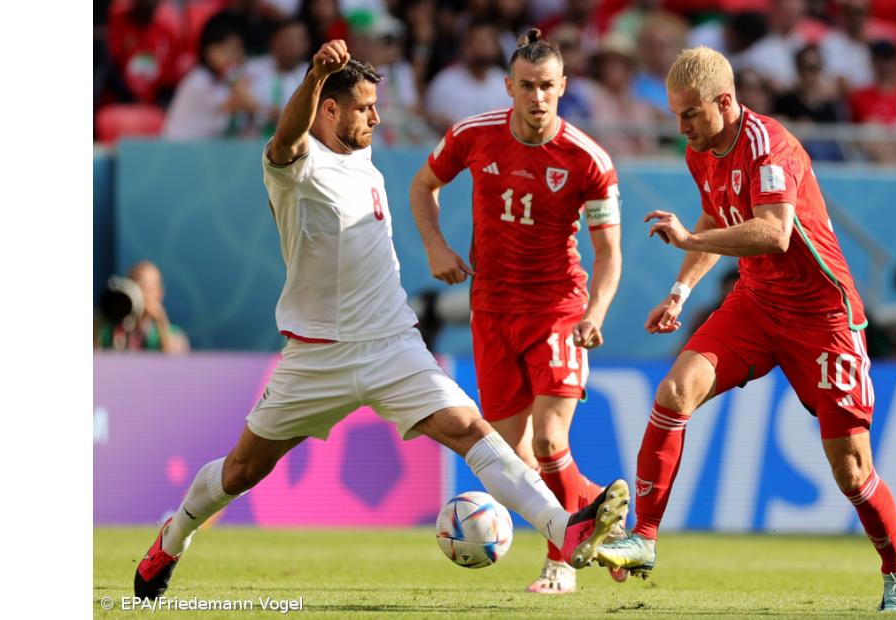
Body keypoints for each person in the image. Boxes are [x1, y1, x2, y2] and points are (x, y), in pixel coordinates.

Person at [133, 39, 629, 600]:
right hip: (318, 354)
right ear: (328, 109)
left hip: (392, 342)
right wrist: (315, 75)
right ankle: (172, 538)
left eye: (376, 105)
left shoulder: (362, 158)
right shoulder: (295, 167)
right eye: (365, 108)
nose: (376, 117)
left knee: (470, 429)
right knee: (241, 472)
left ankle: (565, 528)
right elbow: (287, 138)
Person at [594, 46, 896, 613]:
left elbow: (773, 232)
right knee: (674, 391)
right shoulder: (702, 151)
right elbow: (715, 215)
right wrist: (680, 290)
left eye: (690, 113)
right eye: (675, 114)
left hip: (822, 316)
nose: (681, 127)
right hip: (756, 303)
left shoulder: (772, 147)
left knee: (851, 469)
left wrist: (690, 240)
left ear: (724, 102)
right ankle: (643, 538)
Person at [409, 29, 625, 595]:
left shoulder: (588, 160)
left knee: (551, 441)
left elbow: (609, 253)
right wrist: (435, 246)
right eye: (527, 86)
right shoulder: (473, 135)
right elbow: (423, 185)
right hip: (491, 310)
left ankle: (560, 564)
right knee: (509, 461)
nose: (537, 96)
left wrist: (595, 312)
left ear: (563, 86)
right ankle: (597, 509)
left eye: (546, 86)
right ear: (509, 86)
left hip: (557, 308)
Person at [162, 14, 259, 140]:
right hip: (179, 148)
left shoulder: (226, 83)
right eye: (229, 49)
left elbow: (253, 109)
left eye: (239, 49)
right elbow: (245, 103)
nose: (237, 55)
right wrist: (232, 72)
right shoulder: (197, 80)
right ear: (211, 52)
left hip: (207, 148)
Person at [424, 21, 511, 131]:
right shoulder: (444, 82)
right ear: (466, 47)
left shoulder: (506, 84)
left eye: (489, 41)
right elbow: (430, 122)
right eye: (480, 42)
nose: (485, 47)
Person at [95, 261, 190, 354]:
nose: (140, 295)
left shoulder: (175, 335)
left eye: (148, 288)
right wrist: (97, 324)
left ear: (160, 293)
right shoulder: (110, 332)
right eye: (134, 287)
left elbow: (175, 361)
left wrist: (161, 322)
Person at [243, 18, 311, 137]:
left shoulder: (314, 76)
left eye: (295, 39)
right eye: (285, 38)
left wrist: (280, 118)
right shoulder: (251, 68)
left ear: (306, 44)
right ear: (273, 41)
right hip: (251, 142)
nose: (289, 45)